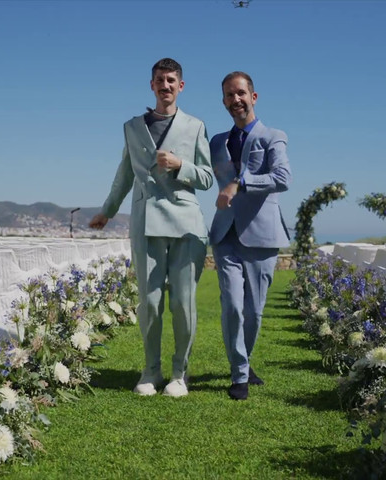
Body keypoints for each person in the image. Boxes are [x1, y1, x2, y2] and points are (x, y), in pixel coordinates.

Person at [89, 58, 213, 397]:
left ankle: (179, 373)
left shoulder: (196, 126)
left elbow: (207, 177)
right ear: (152, 85)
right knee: (150, 302)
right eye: (160, 80)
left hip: (187, 225)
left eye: (172, 80)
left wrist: (180, 165)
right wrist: (107, 211)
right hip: (146, 225)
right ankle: (151, 370)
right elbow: (124, 174)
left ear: (181, 86)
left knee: (183, 304)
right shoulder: (132, 127)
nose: (166, 85)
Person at [209, 71, 292, 400]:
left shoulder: (274, 136)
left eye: (240, 93)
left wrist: (241, 183)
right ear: (224, 101)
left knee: (253, 311)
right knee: (231, 304)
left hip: (261, 235)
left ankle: (244, 362)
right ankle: (239, 374)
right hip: (224, 232)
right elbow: (203, 172)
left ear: (253, 97)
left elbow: (283, 177)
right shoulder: (216, 142)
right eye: (229, 95)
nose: (235, 100)